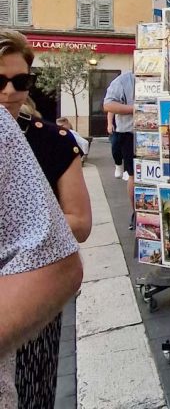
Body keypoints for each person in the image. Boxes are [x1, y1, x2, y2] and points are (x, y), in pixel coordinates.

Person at [0, 29, 92, 408]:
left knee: (36, 392)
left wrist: (29, 224)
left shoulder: (52, 140)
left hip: (32, 290)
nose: (9, 93)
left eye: (19, 81)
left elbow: (81, 223)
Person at [103, 71, 135, 227]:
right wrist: (136, 109)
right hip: (130, 134)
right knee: (134, 175)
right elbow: (108, 104)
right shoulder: (124, 80)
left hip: (163, 131)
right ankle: (136, 213)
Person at [108, 111, 125, 179]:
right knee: (115, 147)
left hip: (131, 126)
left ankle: (127, 170)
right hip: (118, 126)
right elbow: (111, 109)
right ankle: (118, 165)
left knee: (128, 149)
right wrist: (109, 123)